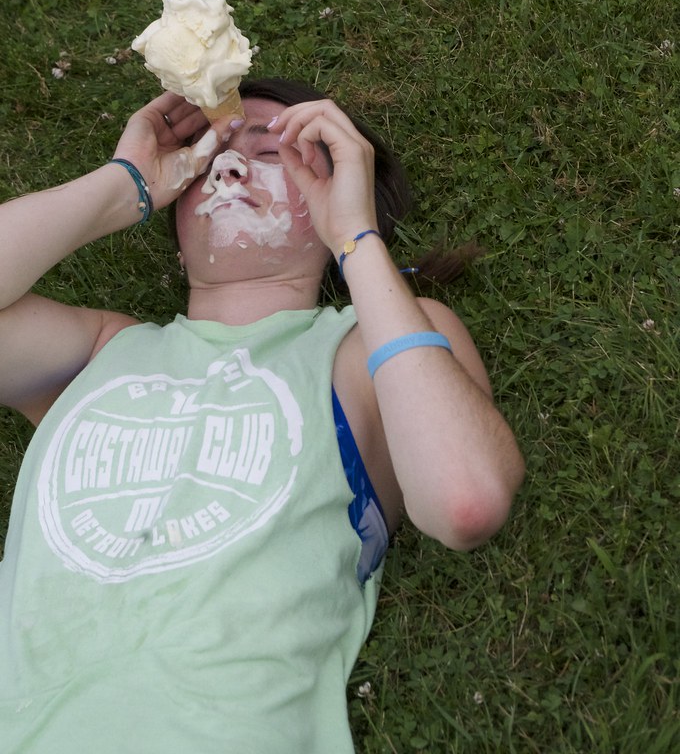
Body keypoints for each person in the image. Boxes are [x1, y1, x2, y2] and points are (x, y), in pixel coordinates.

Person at [0, 77, 524, 753]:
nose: (228, 163)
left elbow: (465, 500)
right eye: (209, 152)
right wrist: (122, 183)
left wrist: (355, 239)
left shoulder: (361, 352)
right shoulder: (99, 353)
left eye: (277, 155)